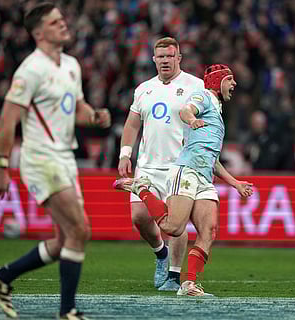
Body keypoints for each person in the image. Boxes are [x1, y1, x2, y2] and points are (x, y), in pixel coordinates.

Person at [0, 3, 111, 320]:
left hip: (65, 157)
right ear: (39, 32)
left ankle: (3, 277)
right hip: (41, 158)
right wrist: (1, 166)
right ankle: (68, 312)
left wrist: (94, 115)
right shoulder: (30, 69)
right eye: (55, 23)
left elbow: (76, 107)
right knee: (80, 230)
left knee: (66, 238)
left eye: (63, 20)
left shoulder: (71, 65)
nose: (63, 25)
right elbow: (8, 120)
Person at [114, 64, 253, 296]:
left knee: (208, 231)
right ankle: (142, 188)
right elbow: (185, 110)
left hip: (204, 177)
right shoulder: (204, 96)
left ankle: (188, 284)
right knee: (173, 227)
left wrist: (236, 183)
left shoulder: (217, 111)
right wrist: (191, 120)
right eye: (230, 79)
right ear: (218, 82)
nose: (234, 84)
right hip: (186, 171)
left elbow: (213, 160)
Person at [117, 37, 203, 291]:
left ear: (179, 58)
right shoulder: (144, 88)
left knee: (177, 225)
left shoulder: (194, 86)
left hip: (180, 166)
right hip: (147, 166)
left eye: (170, 56)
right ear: (154, 59)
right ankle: (160, 253)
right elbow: (133, 123)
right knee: (140, 218)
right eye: (161, 57)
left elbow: (206, 120)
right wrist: (124, 154)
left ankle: (175, 276)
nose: (165, 60)